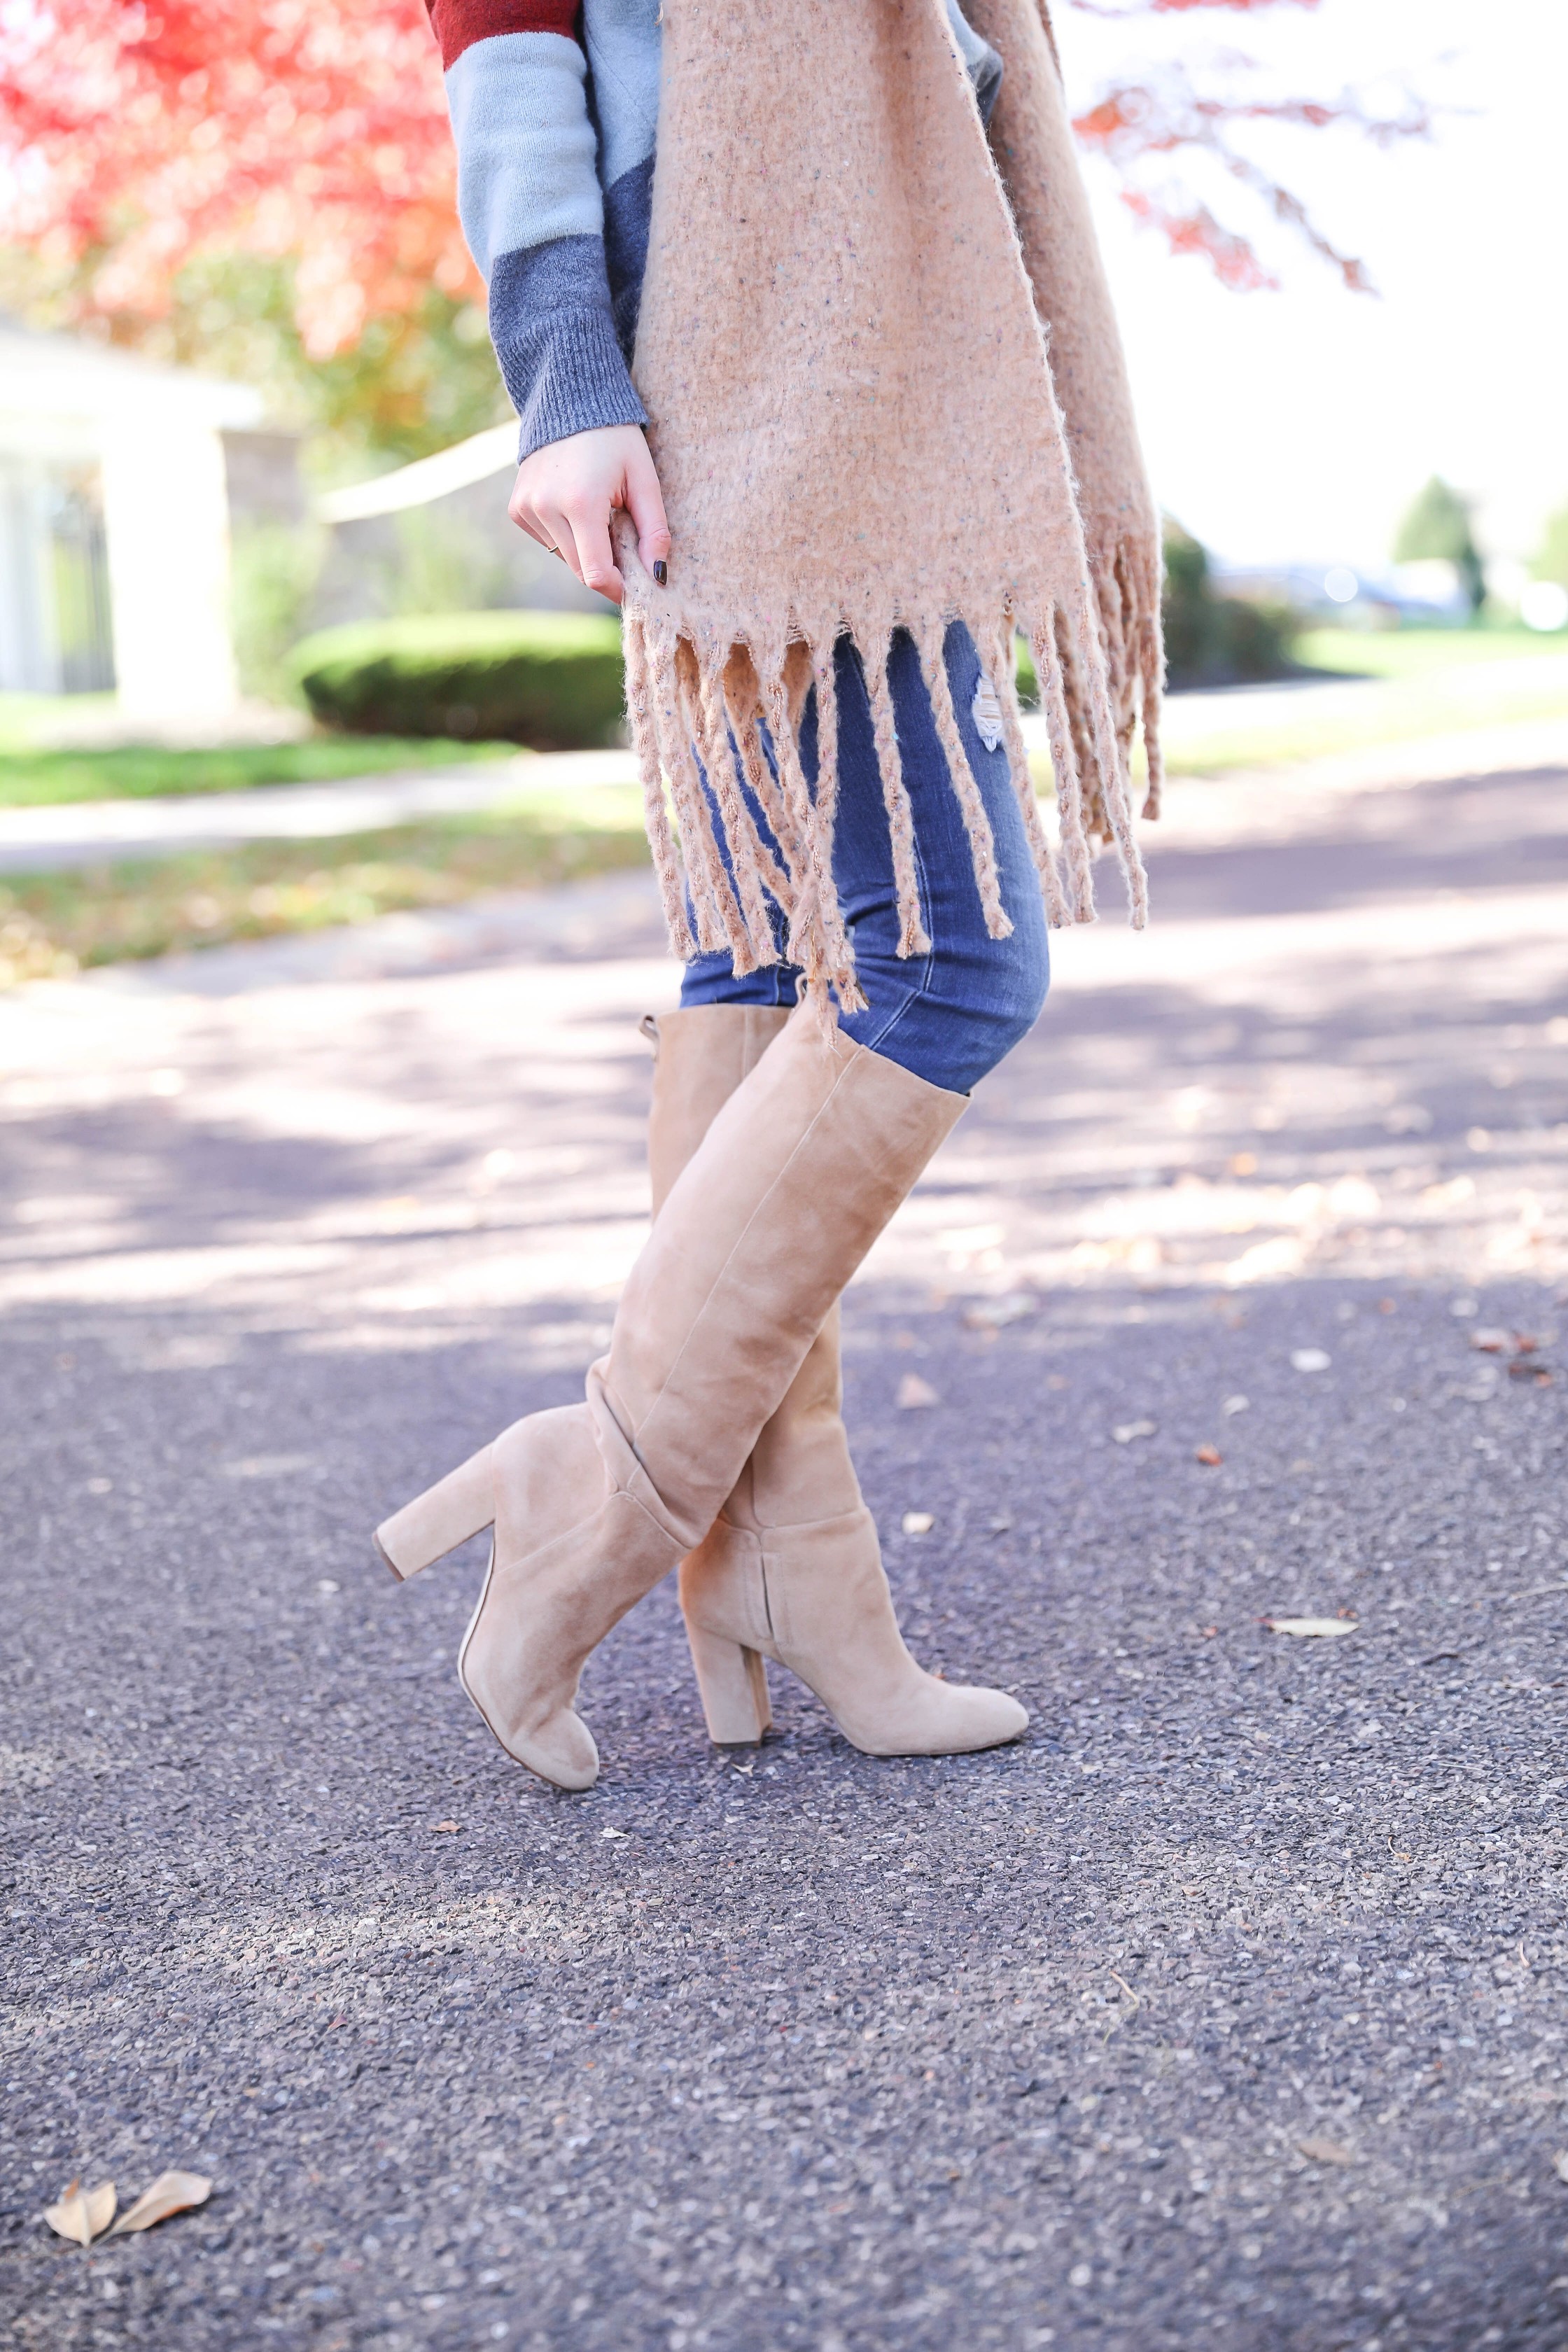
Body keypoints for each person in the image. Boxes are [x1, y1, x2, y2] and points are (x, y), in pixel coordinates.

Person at [375, 0, 1163, 1790]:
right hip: (747, 320)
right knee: (947, 958)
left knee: (763, 951)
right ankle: (601, 1485)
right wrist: (560, 380)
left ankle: (778, 1571)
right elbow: (503, 40)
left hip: (888, 301)